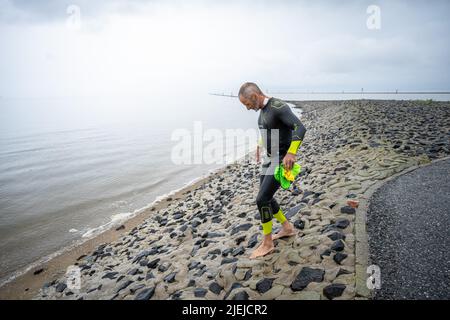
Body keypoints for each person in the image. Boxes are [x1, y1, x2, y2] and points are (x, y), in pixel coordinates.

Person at [238, 82, 307, 259]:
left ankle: (268, 243)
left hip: (281, 160)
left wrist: (291, 153)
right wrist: (259, 146)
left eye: (247, 104)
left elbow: (300, 127)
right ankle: (287, 228)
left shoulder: (278, 107)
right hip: (269, 159)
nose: (247, 108)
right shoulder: (262, 112)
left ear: (254, 96)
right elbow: (269, 132)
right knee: (267, 197)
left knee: (262, 199)